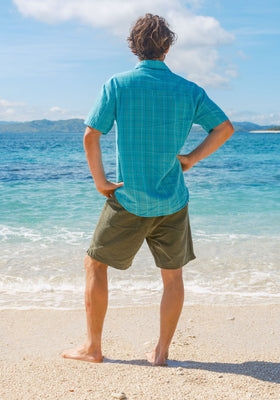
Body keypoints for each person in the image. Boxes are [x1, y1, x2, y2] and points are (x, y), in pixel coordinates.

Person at [62, 13, 234, 366]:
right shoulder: (189, 90)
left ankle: (93, 348)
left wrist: (100, 182)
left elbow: (90, 135)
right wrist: (191, 159)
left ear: (133, 46)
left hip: (127, 199)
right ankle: (161, 352)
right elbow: (224, 128)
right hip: (173, 199)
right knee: (172, 278)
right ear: (167, 47)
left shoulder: (118, 85)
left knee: (94, 265)